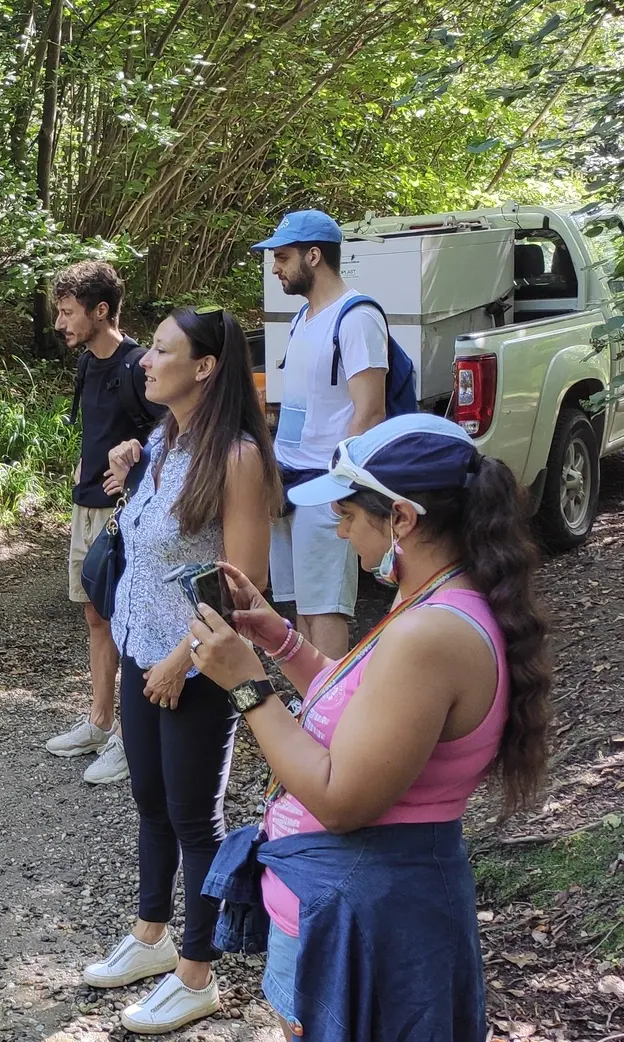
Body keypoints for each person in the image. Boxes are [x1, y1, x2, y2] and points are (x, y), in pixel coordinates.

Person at [187, 413, 552, 1041]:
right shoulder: (434, 600)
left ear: (402, 519)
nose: (339, 527)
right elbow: (362, 713)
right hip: (354, 902)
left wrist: (247, 688)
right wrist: (282, 641)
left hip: (365, 916)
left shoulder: (430, 633)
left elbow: (339, 799)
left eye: (350, 515)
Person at [84, 306, 279, 1035]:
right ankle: (151, 937)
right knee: (151, 799)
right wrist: (131, 472)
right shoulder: (165, 438)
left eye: (161, 350)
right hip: (140, 650)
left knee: (197, 818)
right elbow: (157, 548)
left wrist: (179, 662)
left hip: (196, 668)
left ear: (203, 368)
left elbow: (241, 586)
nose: (144, 360)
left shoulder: (236, 458)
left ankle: (197, 975)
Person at [46, 260, 162, 786]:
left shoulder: (138, 366)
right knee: (96, 615)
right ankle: (98, 722)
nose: (60, 323)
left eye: (68, 312)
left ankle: (129, 740)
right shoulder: (87, 363)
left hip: (123, 513)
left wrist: (137, 463)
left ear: (100, 311)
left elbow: (174, 433)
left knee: (128, 618)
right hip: (85, 504)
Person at [254, 210, 387, 659]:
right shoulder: (303, 318)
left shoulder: (357, 317)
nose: (276, 268)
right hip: (288, 480)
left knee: (326, 607)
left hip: (325, 481)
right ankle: (310, 700)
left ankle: (327, 709)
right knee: (300, 606)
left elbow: (370, 412)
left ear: (314, 256)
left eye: (283, 257)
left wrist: (344, 486)